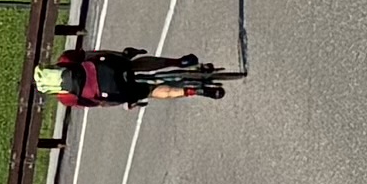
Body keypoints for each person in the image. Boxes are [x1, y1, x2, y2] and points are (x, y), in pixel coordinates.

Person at [40, 46, 234, 107]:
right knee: (133, 64)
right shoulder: (65, 59)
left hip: (113, 90)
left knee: (151, 92)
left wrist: (127, 100)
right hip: (110, 66)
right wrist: (124, 55)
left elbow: (97, 103)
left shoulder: (65, 98)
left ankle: (195, 90)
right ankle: (179, 62)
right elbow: (93, 54)